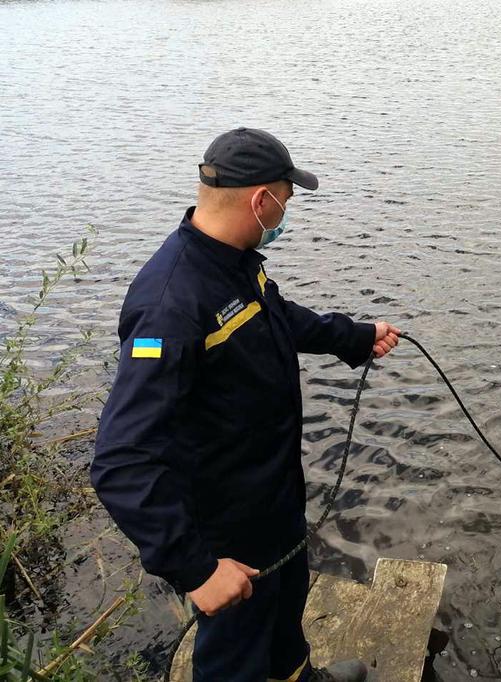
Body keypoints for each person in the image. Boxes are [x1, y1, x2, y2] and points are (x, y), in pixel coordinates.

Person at [90, 128, 396, 682]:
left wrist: (353, 336)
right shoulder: (170, 304)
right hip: (225, 530)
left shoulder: (235, 260)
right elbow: (121, 460)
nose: (286, 212)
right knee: (236, 655)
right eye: (286, 198)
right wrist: (196, 569)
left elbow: (276, 315)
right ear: (262, 200)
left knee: (284, 620)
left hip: (272, 498)